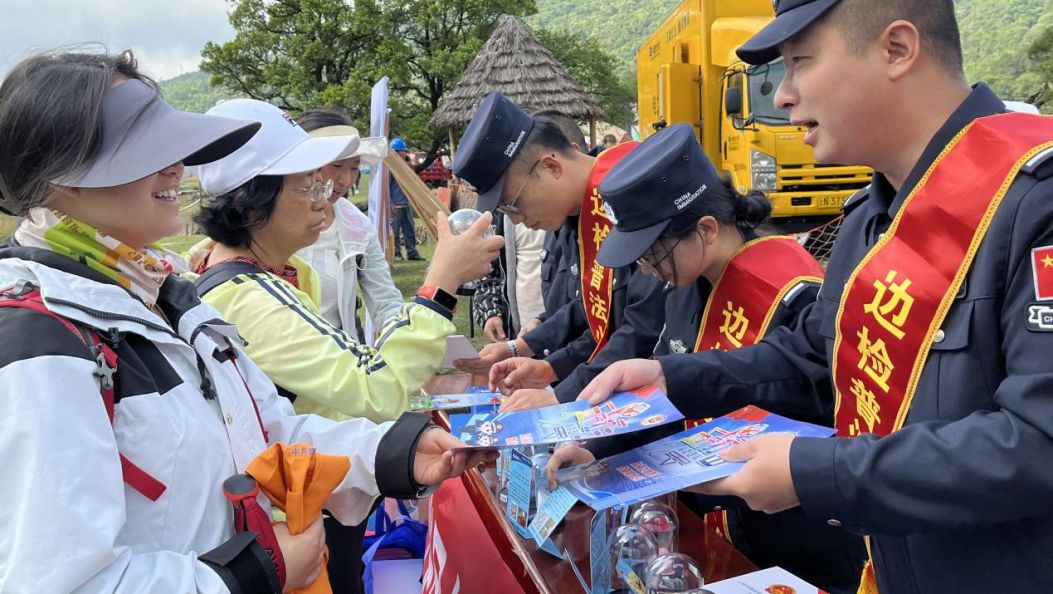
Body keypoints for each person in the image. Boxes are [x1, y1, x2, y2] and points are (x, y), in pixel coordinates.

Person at [577, 1, 1053, 592]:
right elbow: (814, 356)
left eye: (800, 62)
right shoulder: (868, 219)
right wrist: (667, 377)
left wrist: (814, 472)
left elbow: (1038, 442)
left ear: (897, 50)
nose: (783, 96)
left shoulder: (1036, 201)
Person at [0, 50, 490, 593]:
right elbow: (61, 580)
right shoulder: (42, 341)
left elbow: (265, 430)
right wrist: (258, 570)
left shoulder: (163, 294)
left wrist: (393, 454)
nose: (176, 167)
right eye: (145, 147)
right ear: (62, 174)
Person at [544, 124, 866, 593]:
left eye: (652, 253)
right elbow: (667, 402)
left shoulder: (793, 292)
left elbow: (819, 400)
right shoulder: (683, 289)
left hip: (797, 536)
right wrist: (598, 452)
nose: (646, 269)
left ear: (707, 229)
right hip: (716, 531)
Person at [185, 98, 502, 424]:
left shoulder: (259, 267)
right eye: (308, 187)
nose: (323, 203)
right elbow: (377, 388)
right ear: (250, 202)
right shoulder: (251, 300)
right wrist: (441, 284)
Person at [450, 92, 667, 407]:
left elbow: (643, 324)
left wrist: (557, 395)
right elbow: (594, 312)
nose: (518, 221)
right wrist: (541, 360)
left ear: (551, 166)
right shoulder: (575, 215)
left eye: (513, 205)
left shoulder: (639, 192)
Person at [295, 110, 400, 342]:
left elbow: (385, 300)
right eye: (336, 165)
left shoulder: (357, 225)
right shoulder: (270, 223)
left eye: (354, 167)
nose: (345, 180)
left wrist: (405, 335)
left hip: (339, 354)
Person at [389, 137, 423, 261]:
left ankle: (412, 252)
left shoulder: (408, 166)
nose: (406, 153)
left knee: (410, 230)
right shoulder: (390, 168)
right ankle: (397, 253)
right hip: (396, 205)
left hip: (407, 203)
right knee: (395, 231)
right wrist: (390, 203)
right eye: (404, 151)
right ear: (396, 152)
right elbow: (386, 187)